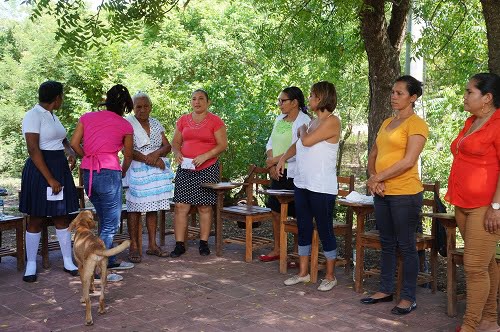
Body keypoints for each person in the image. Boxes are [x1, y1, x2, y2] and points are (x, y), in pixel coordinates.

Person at [360, 75, 428, 315]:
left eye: (399, 93)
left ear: (413, 97)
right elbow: (373, 155)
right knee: (387, 242)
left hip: (405, 194)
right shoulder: (386, 121)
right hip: (382, 192)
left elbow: (409, 161)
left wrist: (378, 178)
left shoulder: (416, 124)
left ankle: (408, 296)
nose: (393, 96)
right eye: (392, 92)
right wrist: (373, 178)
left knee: (406, 245)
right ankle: (385, 288)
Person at [445, 73, 500, 332]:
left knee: (474, 267)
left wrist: (497, 207)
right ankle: (489, 321)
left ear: (487, 98)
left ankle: (469, 326)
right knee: (486, 264)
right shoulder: (471, 121)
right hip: (462, 202)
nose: (465, 96)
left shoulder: (498, 124)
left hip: (485, 206)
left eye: (470, 92)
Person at [277, 81, 341, 292]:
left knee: (324, 229)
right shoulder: (312, 122)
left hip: (321, 186)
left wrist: (302, 130)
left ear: (322, 98)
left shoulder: (333, 122)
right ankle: (303, 273)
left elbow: (307, 141)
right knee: (303, 226)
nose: (310, 99)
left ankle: (330, 276)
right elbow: (297, 145)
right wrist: (282, 159)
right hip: (302, 183)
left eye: (313, 96)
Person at [70, 84, 135, 282]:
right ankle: (98, 268)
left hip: (88, 173)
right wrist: (121, 172)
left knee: (105, 219)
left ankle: (111, 258)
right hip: (109, 172)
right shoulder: (125, 125)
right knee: (111, 223)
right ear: (124, 105)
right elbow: (129, 154)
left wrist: (87, 156)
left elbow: (73, 144)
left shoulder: (87, 118)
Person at [19, 81, 80, 283]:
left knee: (61, 216)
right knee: (36, 217)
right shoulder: (32, 115)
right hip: (40, 170)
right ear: (57, 98)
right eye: (61, 96)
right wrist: (50, 178)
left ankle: (68, 261)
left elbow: (61, 138)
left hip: (58, 167)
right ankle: (31, 265)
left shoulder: (53, 116)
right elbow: (33, 149)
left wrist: (69, 151)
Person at [170, 89, 227, 257]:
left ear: (208, 102)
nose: (197, 102)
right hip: (186, 168)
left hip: (207, 167)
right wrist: (177, 152)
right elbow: (175, 142)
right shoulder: (183, 120)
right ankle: (179, 244)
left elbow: (222, 145)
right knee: (181, 206)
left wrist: (205, 156)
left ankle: (203, 243)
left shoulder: (215, 121)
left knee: (204, 206)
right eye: (194, 99)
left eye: (201, 99)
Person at [260, 86, 310, 262]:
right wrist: (272, 165)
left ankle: (297, 252)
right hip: (277, 172)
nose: (279, 104)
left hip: (295, 174)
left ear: (295, 102)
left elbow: (299, 148)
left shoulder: (305, 121)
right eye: (279, 101)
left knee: (297, 213)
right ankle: (278, 248)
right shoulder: (279, 119)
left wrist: (275, 161)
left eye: (283, 101)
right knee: (275, 211)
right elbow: (270, 143)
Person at [124, 92, 174, 263]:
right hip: (137, 169)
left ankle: (152, 245)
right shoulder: (128, 124)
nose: (143, 110)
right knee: (135, 208)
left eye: (146, 106)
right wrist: (150, 159)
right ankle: (134, 247)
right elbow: (126, 150)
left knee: (153, 208)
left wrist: (157, 155)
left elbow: (167, 145)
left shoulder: (156, 123)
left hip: (155, 172)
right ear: (133, 108)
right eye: (139, 106)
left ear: (151, 107)